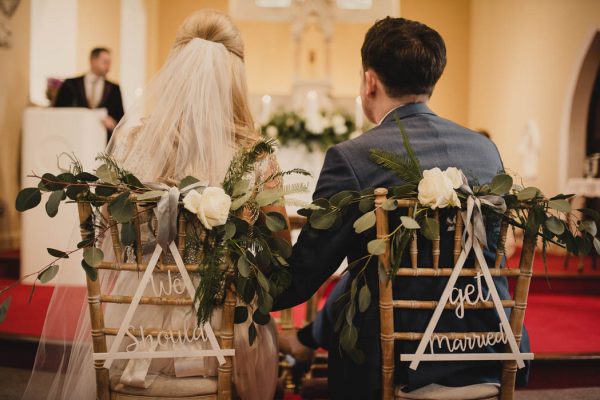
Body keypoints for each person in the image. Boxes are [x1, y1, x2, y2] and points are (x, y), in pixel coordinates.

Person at [24, 10, 284, 400]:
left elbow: (110, 238)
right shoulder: (257, 156)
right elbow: (278, 258)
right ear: (236, 76)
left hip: (131, 331)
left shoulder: (134, 143)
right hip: (219, 335)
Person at [275, 17, 530, 399]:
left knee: (360, 279)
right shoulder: (484, 151)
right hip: (489, 345)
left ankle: (306, 342)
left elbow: (302, 277)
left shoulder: (351, 158)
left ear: (370, 81)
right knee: (362, 274)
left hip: (390, 359)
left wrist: (246, 288)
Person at [54, 47, 124, 141]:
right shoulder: (71, 84)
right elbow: (59, 110)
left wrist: (113, 122)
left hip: (102, 141)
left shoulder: (114, 88)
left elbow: (121, 117)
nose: (108, 67)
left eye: (109, 63)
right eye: (105, 62)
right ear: (93, 61)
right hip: (75, 137)